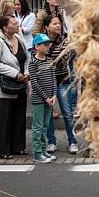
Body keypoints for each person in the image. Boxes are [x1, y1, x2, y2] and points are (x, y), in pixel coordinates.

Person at [0, 15, 28, 159]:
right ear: (5, 27)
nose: (17, 24)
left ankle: (17, 146)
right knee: (3, 118)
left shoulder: (19, 38)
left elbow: (26, 57)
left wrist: (26, 73)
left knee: (19, 116)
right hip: (3, 85)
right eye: (14, 23)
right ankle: (1, 149)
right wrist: (15, 73)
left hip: (20, 83)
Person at [42, 14, 78, 154]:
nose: (58, 25)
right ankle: (51, 142)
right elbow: (39, 58)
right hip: (47, 81)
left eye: (59, 23)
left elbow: (63, 60)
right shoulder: (40, 40)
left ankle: (72, 142)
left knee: (67, 113)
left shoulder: (65, 40)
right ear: (46, 27)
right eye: (54, 23)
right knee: (48, 113)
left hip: (63, 80)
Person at [28, 33, 58, 163]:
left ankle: (44, 150)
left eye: (48, 44)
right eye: (45, 45)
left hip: (49, 99)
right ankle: (37, 152)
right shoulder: (33, 62)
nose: (48, 47)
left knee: (45, 125)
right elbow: (34, 82)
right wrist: (46, 97)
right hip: (39, 99)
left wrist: (54, 94)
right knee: (38, 126)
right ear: (36, 46)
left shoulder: (49, 60)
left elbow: (54, 79)